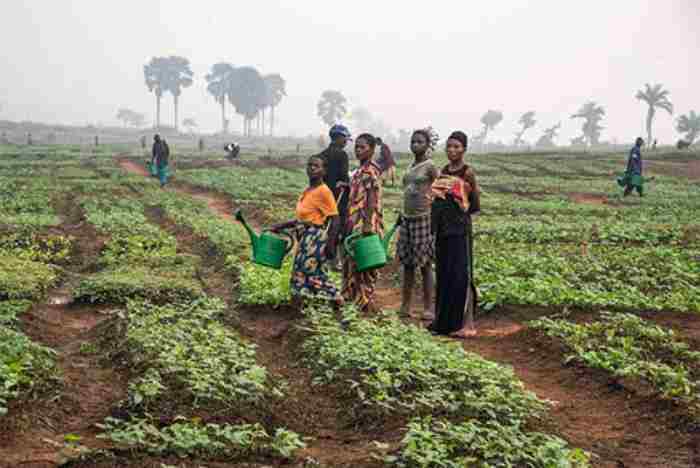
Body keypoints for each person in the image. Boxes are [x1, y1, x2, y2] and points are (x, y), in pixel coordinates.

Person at [270, 155, 344, 306]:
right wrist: (282, 226)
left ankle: (338, 301)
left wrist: (331, 244)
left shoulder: (324, 191)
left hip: (314, 239)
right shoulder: (308, 190)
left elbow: (335, 219)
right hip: (304, 237)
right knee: (301, 273)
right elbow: (304, 218)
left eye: (316, 166)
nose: (311, 168)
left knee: (311, 274)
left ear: (324, 171)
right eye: (309, 165)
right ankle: (300, 308)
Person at [429, 131, 480, 338]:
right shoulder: (443, 171)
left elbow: (474, 205)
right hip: (444, 229)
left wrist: (461, 195)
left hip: (460, 229)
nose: (452, 150)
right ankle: (444, 322)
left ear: (464, 149)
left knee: (462, 275)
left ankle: (467, 324)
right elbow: (437, 202)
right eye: (449, 146)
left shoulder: (468, 172)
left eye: (457, 147)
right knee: (445, 274)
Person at [398, 129, 439, 320]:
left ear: (427, 144)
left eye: (420, 142)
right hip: (407, 218)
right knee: (407, 264)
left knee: (425, 265)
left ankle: (428, 307)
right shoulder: (410, 166)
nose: (415, 145)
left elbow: (438, 189)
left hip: (424, 218)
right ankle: (405, 305)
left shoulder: (430, 167)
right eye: (413, 141)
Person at [342, 133, 384, 312]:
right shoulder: (360, 170)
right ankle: (353, 297)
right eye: (356, 147)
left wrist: (367, 223)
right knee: (352, 259)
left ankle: (364, 299)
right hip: (355, 220)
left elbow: (372, 198)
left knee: (364, 260)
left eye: (362, 147)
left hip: (366, 220)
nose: (358, 150)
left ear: (372, 150)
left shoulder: (370, 171)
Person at [318, 124, 351, 266]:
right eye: (345, 139)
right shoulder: (342, 155)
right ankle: (334, 259)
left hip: (322, 196)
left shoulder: (321, 155)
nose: (345, 142)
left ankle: (320, 255)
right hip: (338, 197)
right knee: (337, 227)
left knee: (323, 224)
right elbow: (344, 178)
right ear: (338, 138)